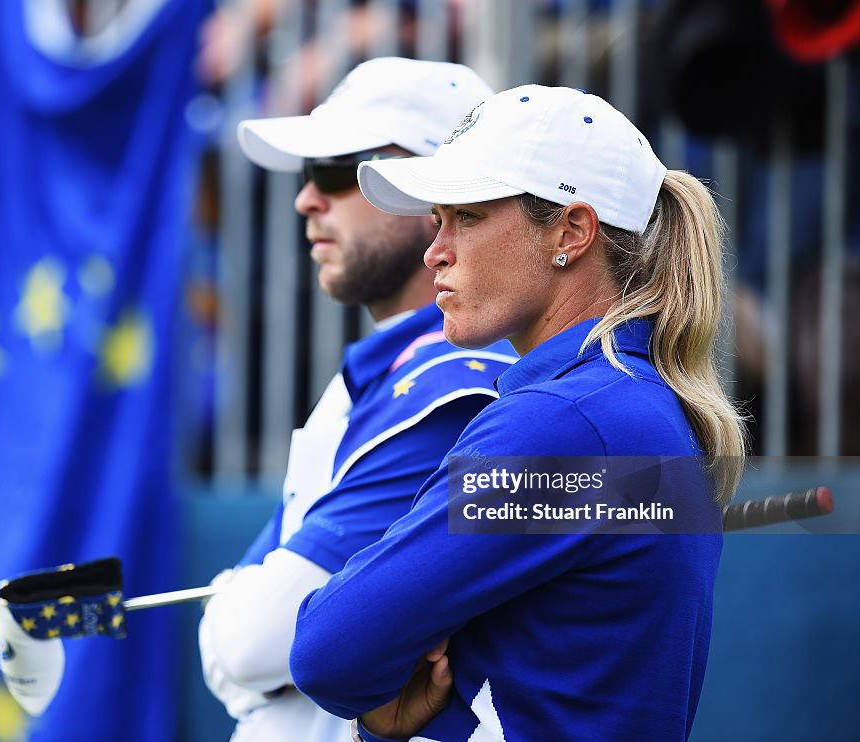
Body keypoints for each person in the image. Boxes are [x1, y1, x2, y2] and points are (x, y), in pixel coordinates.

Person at [289, 84, 748, 741]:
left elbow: (327, 652)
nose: (435, 251)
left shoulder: (563, 423)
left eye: (466, 217)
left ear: (572, 231)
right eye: (437, 218)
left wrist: (394, 709)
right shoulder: (626, 406)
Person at [197, 57, 515, 742]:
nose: (306, 199)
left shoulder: (451, 387)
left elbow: (251, 643)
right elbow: (253, 643)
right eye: (310, 174)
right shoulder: (390, 371)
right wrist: (240, 635)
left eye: (341, 170)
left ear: (437, 187)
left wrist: (236, 629)